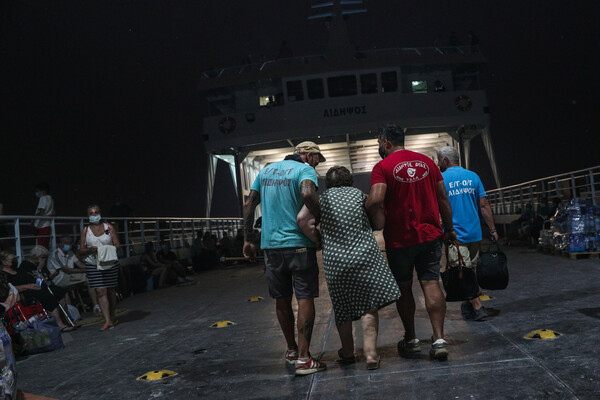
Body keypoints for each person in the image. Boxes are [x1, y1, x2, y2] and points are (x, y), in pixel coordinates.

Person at [365, 124, 456, 360]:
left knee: (404, 288)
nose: (379, 147)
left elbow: (375, 200)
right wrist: (449, 229)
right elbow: (443, 197)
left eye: (378, 143)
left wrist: (378, 221)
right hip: (430, 235)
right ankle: (438, 340)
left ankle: (412, 338)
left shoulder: (382, 167)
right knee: (431, 282)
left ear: (386, 142)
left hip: (400, 239)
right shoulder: (427, 163)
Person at [298, 166, 402, 370]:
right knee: (368, 305)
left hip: (335, 262)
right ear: (350, 180)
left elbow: (302, 220)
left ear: (328, 183)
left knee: (342, 306)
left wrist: (318, 240)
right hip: (364, 257)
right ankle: (371, 354)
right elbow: (380, 222)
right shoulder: (360, 196)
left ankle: (347, 352)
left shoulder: (322, 199)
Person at [242, 141, 326, 376]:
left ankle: (291, 350)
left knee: (281, 298)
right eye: (317, 159)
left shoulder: (266, 170)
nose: (318, 165)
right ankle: (304, 359)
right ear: (308, 156)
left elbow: (250, 205)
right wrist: (321, 217)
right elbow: (308, 193)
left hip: (270, 247)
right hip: (299, 245)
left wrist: (248, 239)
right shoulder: (304, 170)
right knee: (305, 298)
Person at [437, 146, 499, 321]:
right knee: (468, 271)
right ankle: (468, 304)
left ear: (445, 160)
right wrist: (493, 229)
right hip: (474, 233)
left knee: (463, 272)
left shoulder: (440, 179)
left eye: (439, 160)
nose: (437, 163)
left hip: (454, 235)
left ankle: (477, 306)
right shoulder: (474, 176)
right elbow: (484, 205)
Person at [0, 247, 74, 332]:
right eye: (12, 259)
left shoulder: (18, 270)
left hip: (34, 288)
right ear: (4, 262)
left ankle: (66, 320)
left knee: (59, 292)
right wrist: (28, 286)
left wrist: (36, 278)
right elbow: (10, 289)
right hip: (23, 293)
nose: (15, 261)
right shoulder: (4, 275)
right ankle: (59, 324)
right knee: (47, 297)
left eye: (15, 259)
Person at [79, 204, 120, 331]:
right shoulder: (86, 230)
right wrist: (90, 250)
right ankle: (107, 320)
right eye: (91, 213)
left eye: (96, 212)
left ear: (100, 214)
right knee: (100, 291)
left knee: (111, 290)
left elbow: (117, 244)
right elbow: (81, 249)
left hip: (109, 262)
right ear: (88, 216)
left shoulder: (109, 227)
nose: (94, 215)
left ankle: (112, 315)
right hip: (93, 263)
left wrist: (105, 249)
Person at [47, 235, 100, 313]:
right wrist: (85, 270)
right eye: (65, 243)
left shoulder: (70, 253)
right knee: (89, 279)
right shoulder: (56, 254)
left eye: (69, 243)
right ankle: (96, 305)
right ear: (60, 244)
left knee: (91, 278)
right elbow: (67, 270)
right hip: (60, 278)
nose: (68, 245)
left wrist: (91, 267)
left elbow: (80, 264)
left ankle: (96, 305)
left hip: (70, 276)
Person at [32, 183, 55, 249]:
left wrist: (34, 219)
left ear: (43, 191)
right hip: (48, 225)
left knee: (40, 247)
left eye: (37, 191)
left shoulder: (43, 198)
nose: (37, 193)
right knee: (45, 246)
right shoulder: (50, 198)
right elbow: (53, 212)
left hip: (41, 225)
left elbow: (42, 211)